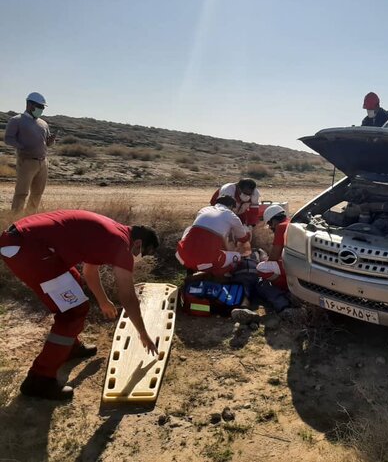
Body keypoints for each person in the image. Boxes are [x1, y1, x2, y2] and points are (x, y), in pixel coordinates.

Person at [0, 210, 160, 400]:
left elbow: (90, 271)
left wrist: (103, 301)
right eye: (141, 253)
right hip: (26, 249)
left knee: (74, 285)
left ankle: (69, 348)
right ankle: (39, 379)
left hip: (22, 241)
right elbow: (128, 296)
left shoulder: (112, 233)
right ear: (138, 243)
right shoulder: (120, 244)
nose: (138, 257)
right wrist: (143, 333)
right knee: (73, 312)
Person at [4, 92, 56, 212]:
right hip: (26, 161)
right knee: (21, 193)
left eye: (43, 107)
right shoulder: (16, 120)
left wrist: (50, 141)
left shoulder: (43, 123)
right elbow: (8, 138)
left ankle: (30, 219)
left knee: (37, 193)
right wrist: (22, 147)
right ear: (29, 104)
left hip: (43, 163)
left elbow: (47, 143)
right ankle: (15, 220)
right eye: (40, 106)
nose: (41, 109)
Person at [176, 195, 252, 276]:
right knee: (237, 256)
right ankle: (221, 275)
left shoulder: (204, 210)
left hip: (181, 256)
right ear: (231, 206)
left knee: (190, 229)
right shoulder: (232, 216)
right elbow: (243, 238)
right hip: (206, 261)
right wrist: (248, 233)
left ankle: (191, 270)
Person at [256, 204, 289, 291]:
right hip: (303, 265)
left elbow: (274, 257)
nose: (271, 227)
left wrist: (264, 258)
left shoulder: (281, 227)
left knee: (261, 267)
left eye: (270, 223)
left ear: (274, 220)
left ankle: (285, 287)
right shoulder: (291, 222)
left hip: (293, 267)